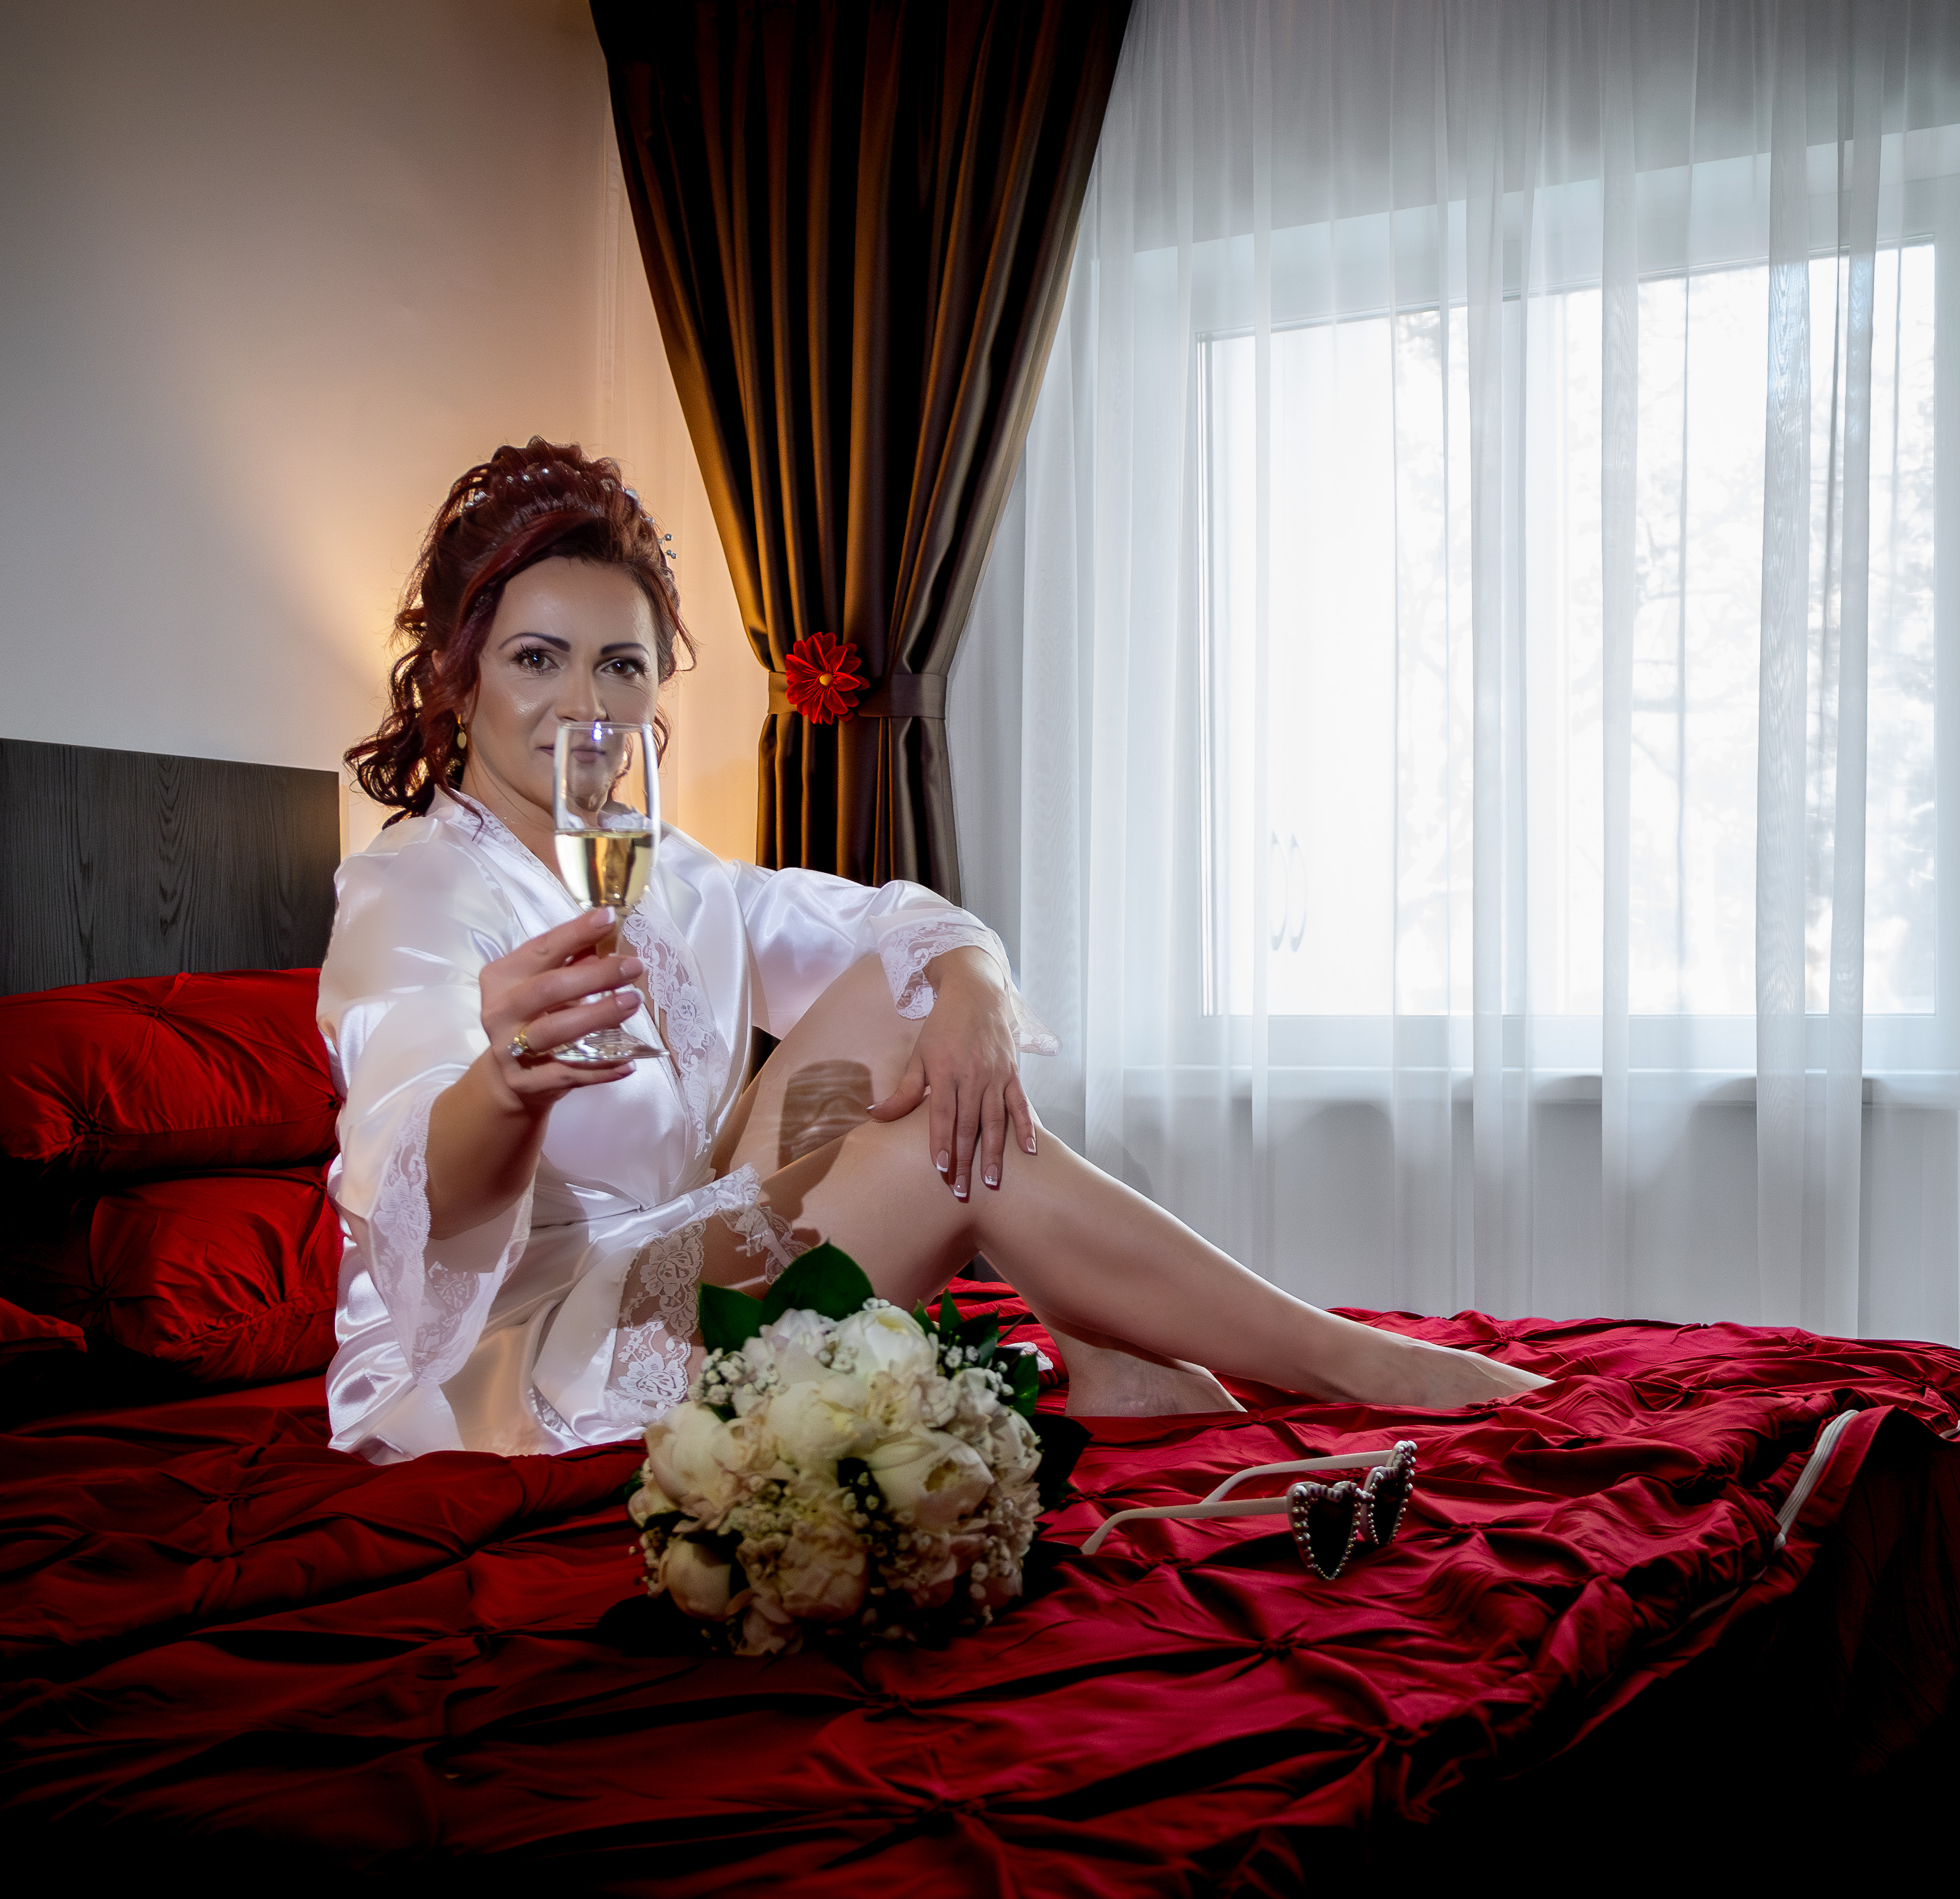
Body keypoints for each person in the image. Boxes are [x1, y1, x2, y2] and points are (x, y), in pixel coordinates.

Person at [321, 439, 1546, 1461]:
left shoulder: (666, 869)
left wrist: (976, 984)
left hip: (668, 1252)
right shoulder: (410, 891)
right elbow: (415, 1197)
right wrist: (505, 1083)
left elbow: (885, 929)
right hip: (507, 1351)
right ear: (457, 677)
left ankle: (1114, 1355)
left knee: (911, 998)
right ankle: (1343, 1360)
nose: (585, 704)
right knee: (942, 1156)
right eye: (536, 658)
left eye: (621, 665)